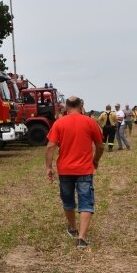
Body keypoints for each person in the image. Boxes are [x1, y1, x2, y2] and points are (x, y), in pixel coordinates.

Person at [45, 96, 105, 250]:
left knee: (68, 199)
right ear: (81, 105)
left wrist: (49, 167)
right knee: (86, 201)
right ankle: (82, 238)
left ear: (66, 106)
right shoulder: (90, 122)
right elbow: (100, 145)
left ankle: (72, 227)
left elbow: (50, 146)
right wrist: (96, 160)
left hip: (65, 169)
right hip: (84, 169)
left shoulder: (59, 123)